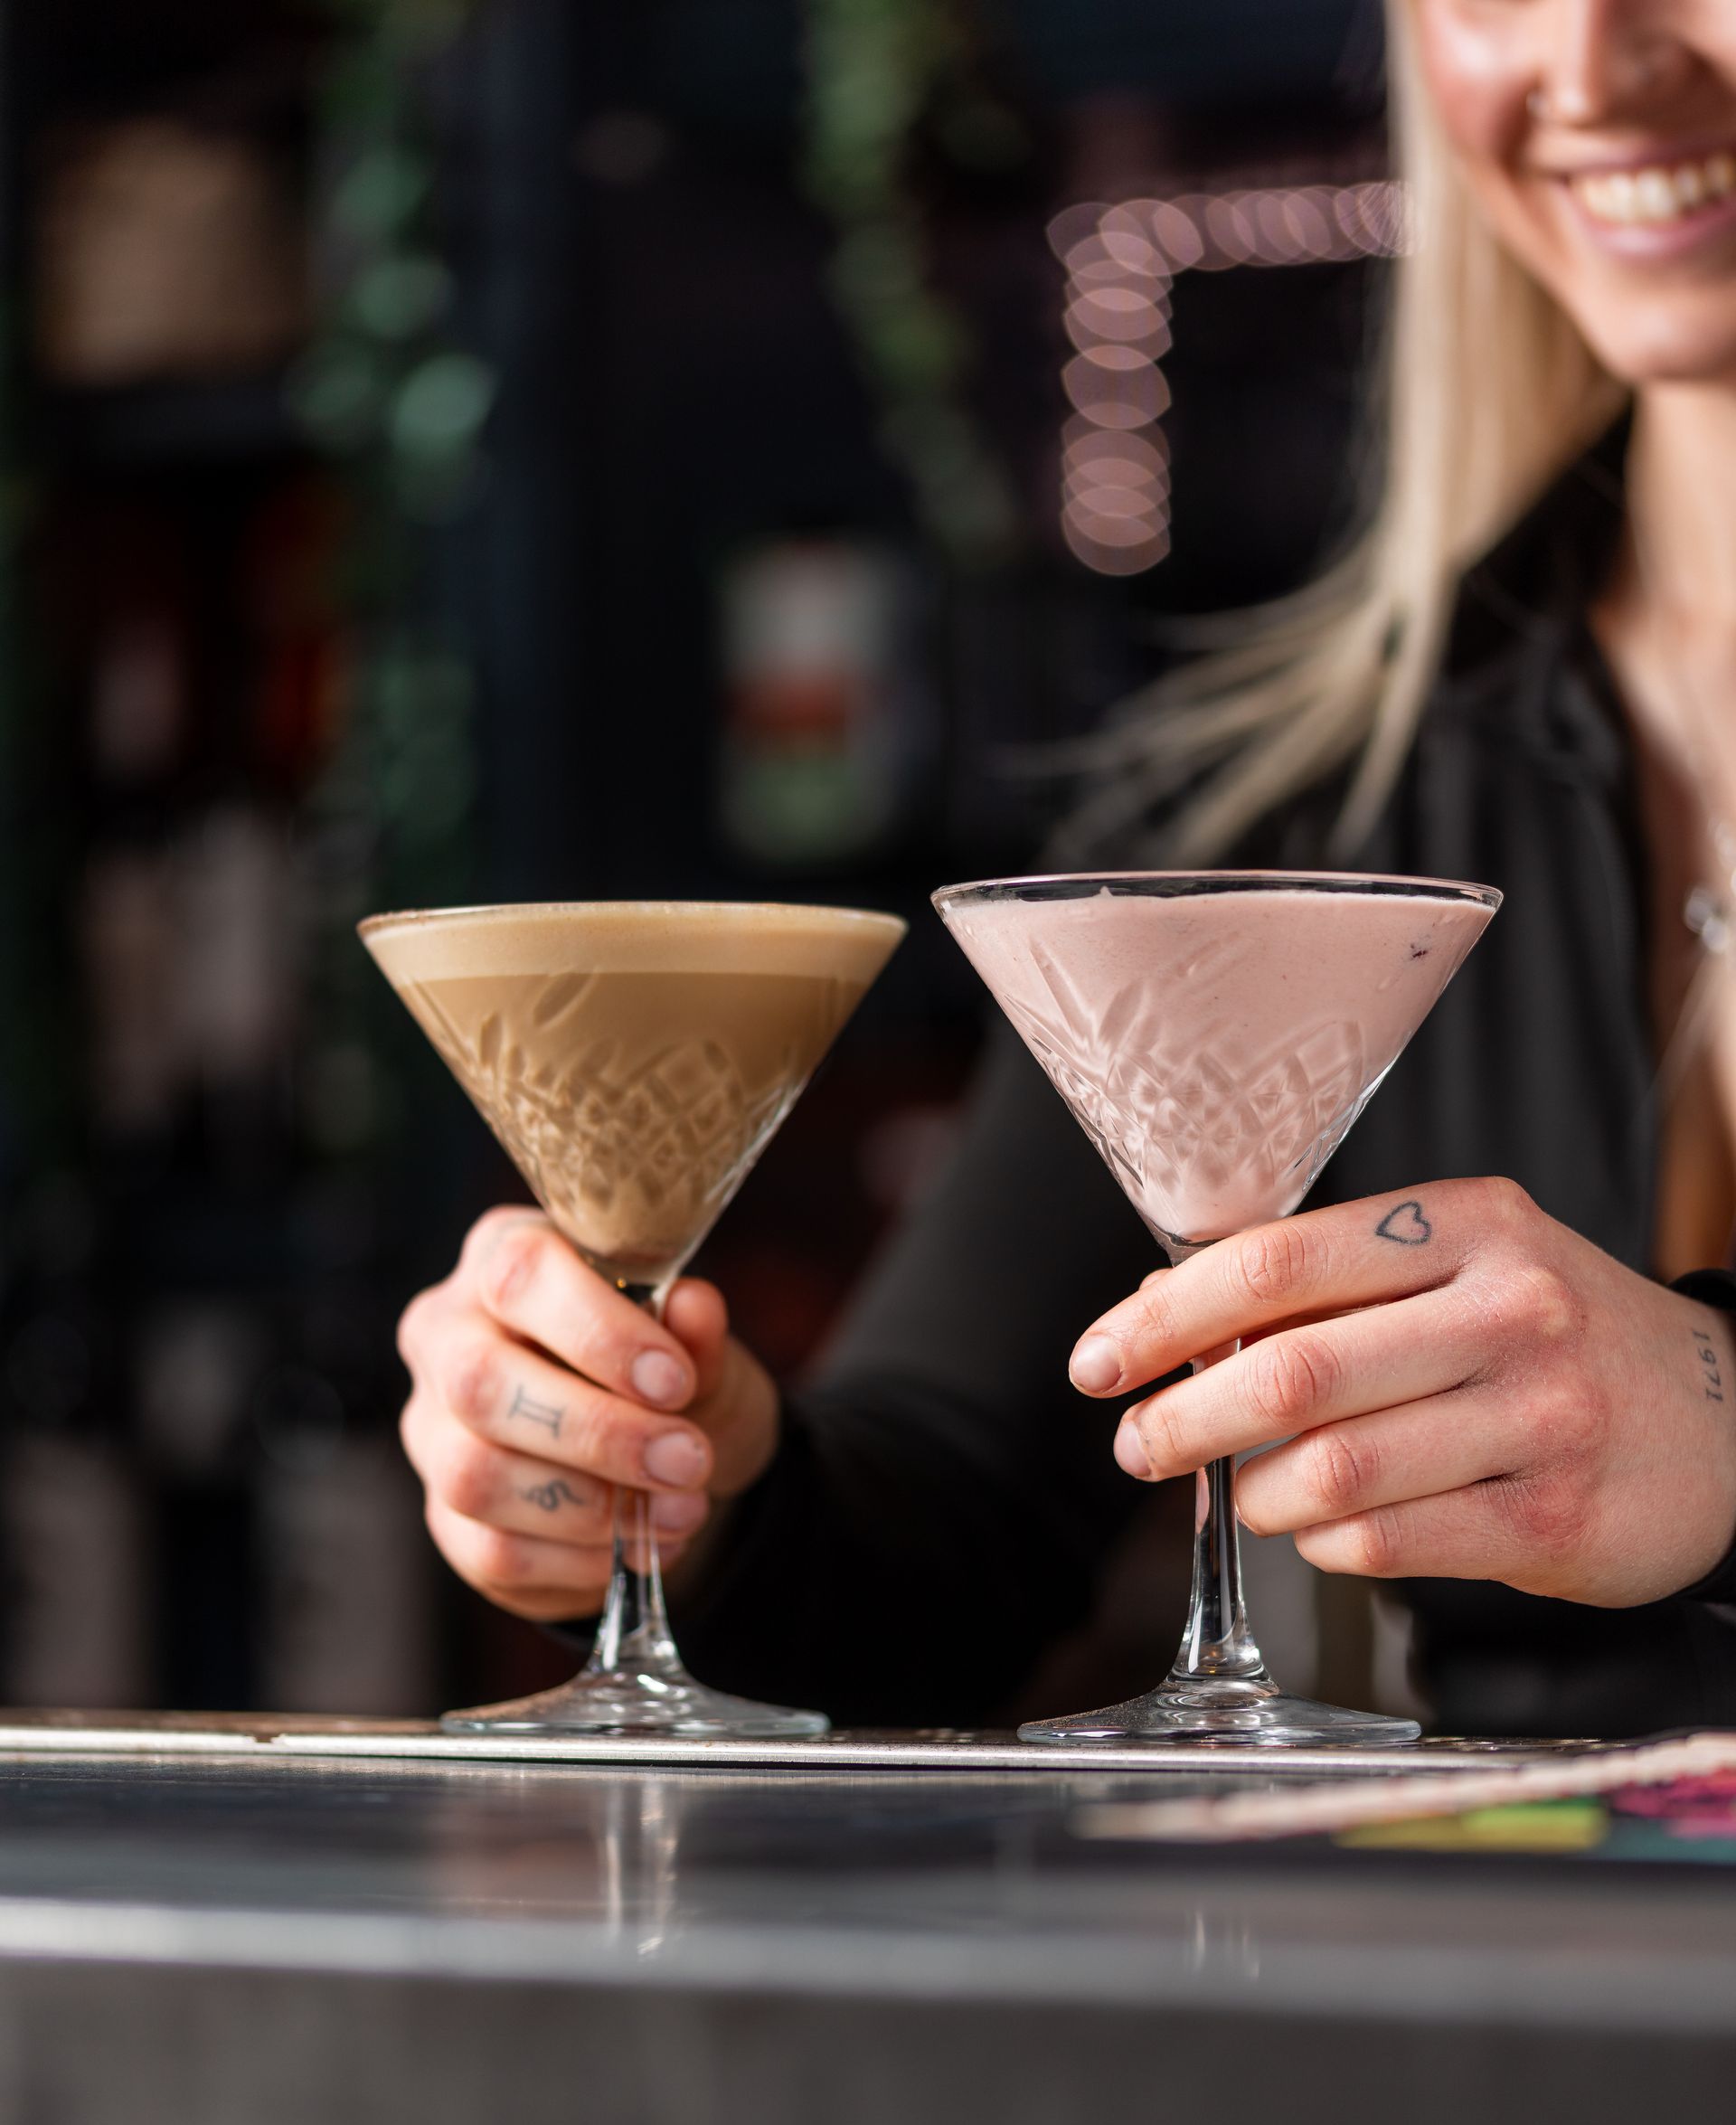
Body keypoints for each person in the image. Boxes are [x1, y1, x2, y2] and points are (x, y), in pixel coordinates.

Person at [394, 0, 1736, 1742]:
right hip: (1495, 1917)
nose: (1597, 67)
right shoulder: (1280, 806)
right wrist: (671, 1478)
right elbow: (935, 1553)